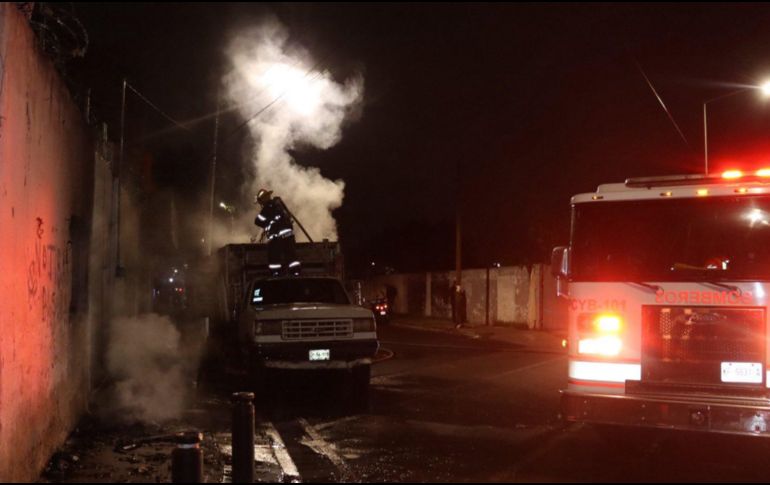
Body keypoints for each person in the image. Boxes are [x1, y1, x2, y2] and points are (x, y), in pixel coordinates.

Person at [254, 189, 301, 276]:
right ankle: (295, 272)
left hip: (277, 238)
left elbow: (257, 221)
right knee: (291, 256)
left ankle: (276, 274)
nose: (261, 204)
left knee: (274, 257)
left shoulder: (268, 207)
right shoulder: (279, 205)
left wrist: (267, 222)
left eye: (261, 201)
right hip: (288, 236)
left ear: (263, 199)